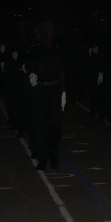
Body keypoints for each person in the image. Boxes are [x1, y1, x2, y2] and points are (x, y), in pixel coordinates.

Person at [26, 17, 66, 170]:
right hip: (40, 91)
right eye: (45, 30)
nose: (48, 33)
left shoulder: (59, 50)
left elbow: (62, 72)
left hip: (54, 91)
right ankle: (42, 158)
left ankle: (54, 157)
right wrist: (32, 75)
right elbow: (30, 67)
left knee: (55, 127)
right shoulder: (36, 49)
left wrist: (63, 92)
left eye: (51, 30)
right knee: (40, 126)